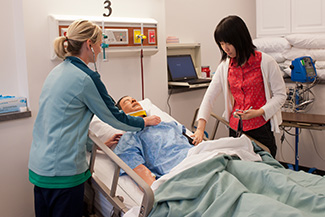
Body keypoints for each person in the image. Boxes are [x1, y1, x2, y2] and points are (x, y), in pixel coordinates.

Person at [28, 20, 160, 217]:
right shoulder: (86, 78)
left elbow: (62, 122)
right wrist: (144, 121)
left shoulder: (56, 73)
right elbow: (115, 118)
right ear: (89, 44)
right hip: (63, 173)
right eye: (100, 43)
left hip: (40, 168)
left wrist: (92, 145)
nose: (100, 49)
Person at [192, 15, 286, 158]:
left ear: (240, 39)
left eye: (228, 43)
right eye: (221, 44)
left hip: (260, 128)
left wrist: (259, 112)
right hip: (235, 128)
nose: (225, 49)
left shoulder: (266, 62)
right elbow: (209, 97)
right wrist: (200, 129)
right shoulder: (225, 67)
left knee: (264, 168)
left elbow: (280, 95)